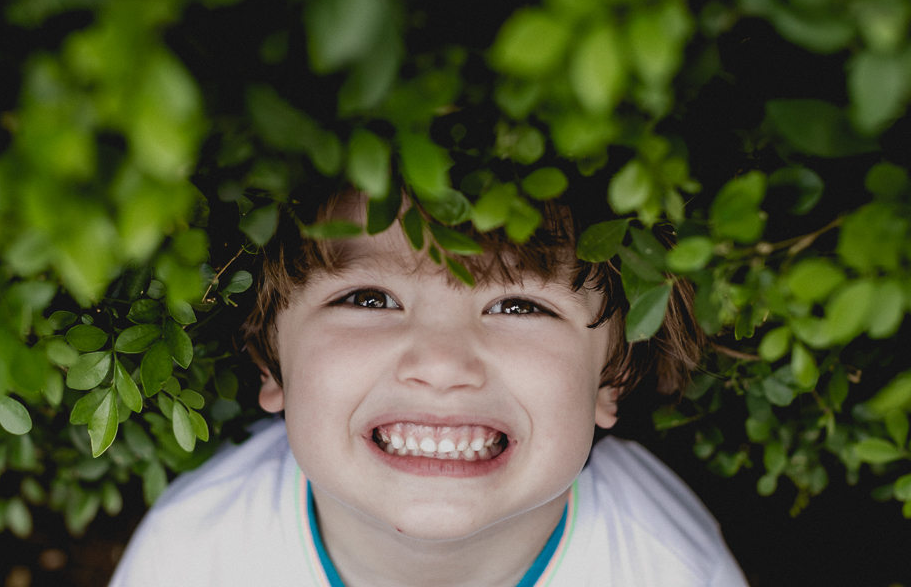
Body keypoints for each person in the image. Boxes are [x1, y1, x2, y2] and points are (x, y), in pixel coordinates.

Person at [109, 190, 749, 586]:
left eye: (520, 307)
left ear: (611, 376)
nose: (442, 365)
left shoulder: (675, 572)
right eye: (369, 297)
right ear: (270, 363)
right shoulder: (190, 558)